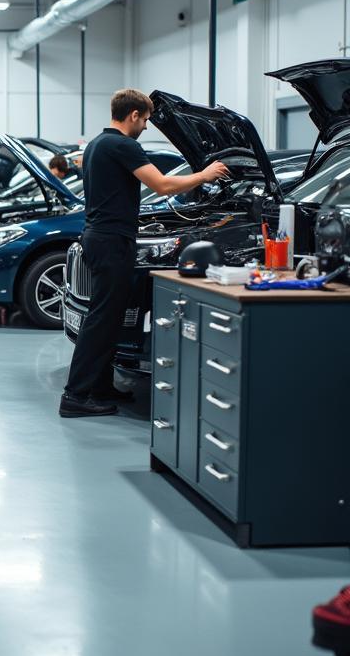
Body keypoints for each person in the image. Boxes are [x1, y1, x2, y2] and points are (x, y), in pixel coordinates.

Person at [60, 89, 228, 418]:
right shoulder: (124, 145)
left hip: (98, 237)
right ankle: (75, 396)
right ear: (133, 114)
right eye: (147, 119)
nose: (147, 126)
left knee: (107, 320)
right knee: (101, 320)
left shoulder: (96, 144)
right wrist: (204, 175)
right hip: (112, 241)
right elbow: (162, 185)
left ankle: (100, 387)